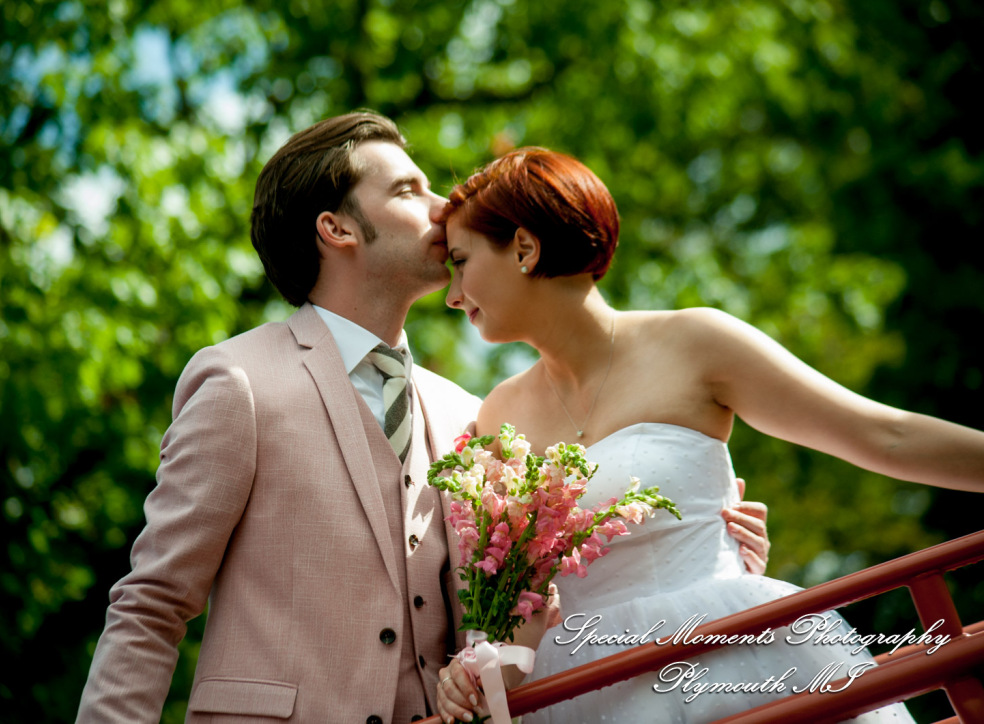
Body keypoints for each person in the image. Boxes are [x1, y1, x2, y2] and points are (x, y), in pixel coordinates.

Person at [76, 113, 769, 723]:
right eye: (409, 190)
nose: (444, 209)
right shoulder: (240, 382)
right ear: (337, 228)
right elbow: (152, 605)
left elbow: (510, 617)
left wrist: (706, 556)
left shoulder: (471, 413)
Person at [435, 147, 984, 724]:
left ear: (523, 248)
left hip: (739, 655)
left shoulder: (696, 343)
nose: (451, 293)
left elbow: (884, 435)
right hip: (588, 690)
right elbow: (508, 598)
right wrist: (482, 665)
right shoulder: (500, 417)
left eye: (461, 260)